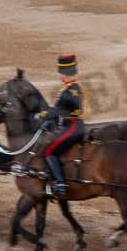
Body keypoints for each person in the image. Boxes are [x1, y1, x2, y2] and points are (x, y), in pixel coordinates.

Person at [38, 54, 87, 197]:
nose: (58, 73)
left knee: (49, 151)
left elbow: (56, 111)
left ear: (63, 73)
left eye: (60, 71)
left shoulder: (66, 91)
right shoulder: (75, 87)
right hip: (76, 124)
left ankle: (59, 183)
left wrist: (40, 115)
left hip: (71, 127)